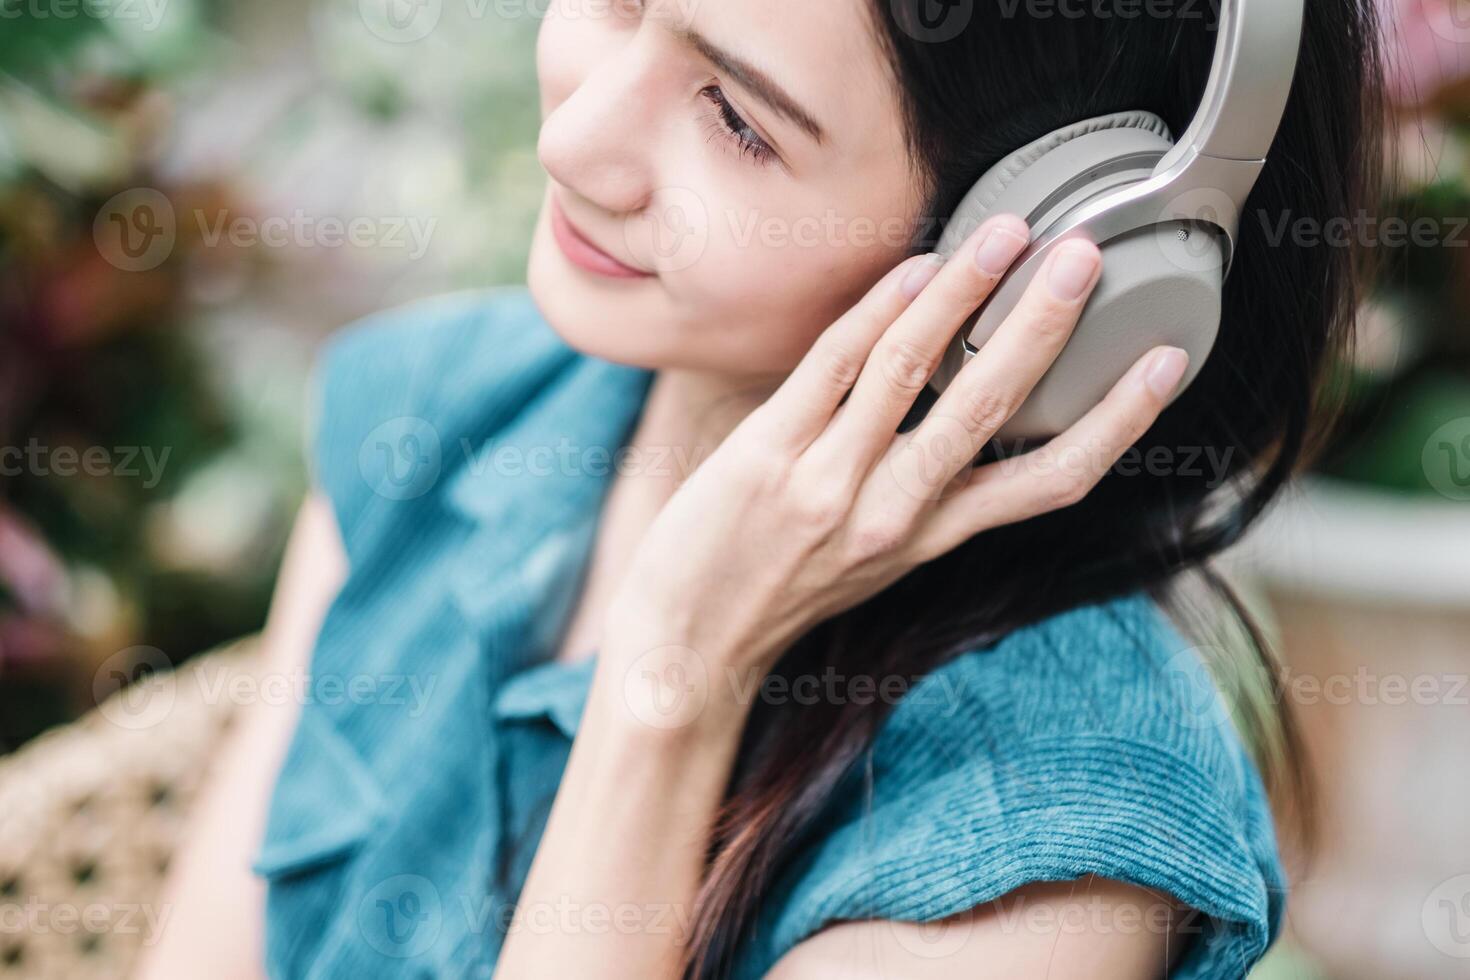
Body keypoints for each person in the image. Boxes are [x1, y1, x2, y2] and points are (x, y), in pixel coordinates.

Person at [137, 0, 1383, 976]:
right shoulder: (438, 410)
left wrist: (670, 683)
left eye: (737, 120)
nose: (577, 140)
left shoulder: (1049, 833)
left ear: (1066, 266)